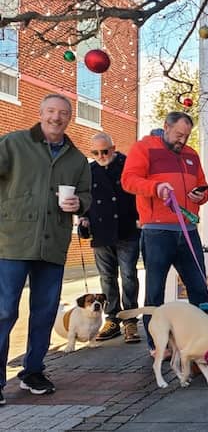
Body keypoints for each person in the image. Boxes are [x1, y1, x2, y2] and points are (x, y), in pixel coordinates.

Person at [0, 94, 91, 401]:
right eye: (51, 111)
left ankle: (33, 370)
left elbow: (87, 195)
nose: (56, 117)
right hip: (11, 241)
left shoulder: (77, 159)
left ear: (69, 118)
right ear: (40, 113)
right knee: (3, 311)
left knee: (45, 312)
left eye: (63, 113)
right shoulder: (14, 144)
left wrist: (80, 203)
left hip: (53, 243)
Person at [121, 111, 208, 355]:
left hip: (188, 230)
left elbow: (203, 185)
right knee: (155, 290)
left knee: (199, 288)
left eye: (187, 135)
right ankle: (156, 345)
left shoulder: (191, 154)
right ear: (166, 127)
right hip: (157, 230)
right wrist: (155, 187)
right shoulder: (145, 148)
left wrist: (200, 195)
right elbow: (128, 180)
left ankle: (203, 340)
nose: (182, 140)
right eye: (179, 134)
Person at [78, 132, 141, 344]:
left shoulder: (129, 165)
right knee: (107, 277)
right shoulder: (89, 171)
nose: (101, 155)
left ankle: (130, 319)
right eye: (95, 152)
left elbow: (140, 192)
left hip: (127, 229)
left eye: (105, 151)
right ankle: (112, 318)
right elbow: (84, 199)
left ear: (113, 148)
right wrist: (84, 218)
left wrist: (141, 218)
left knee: (129, 275)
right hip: (101, 231)